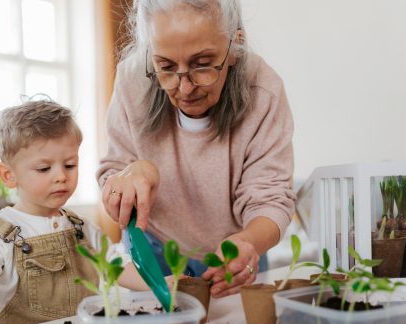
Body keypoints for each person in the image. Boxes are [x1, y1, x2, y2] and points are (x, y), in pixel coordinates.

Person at [0, 98, 170, 324]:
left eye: (70, 165)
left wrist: (163, 284)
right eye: (44, 168)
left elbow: (117, 267)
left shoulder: (81, 227)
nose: (61, 175)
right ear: (8, 175)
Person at [97, 0, 296, 299]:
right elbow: (112, 173)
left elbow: (270, 200)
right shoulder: (132, 80)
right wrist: (119, 189)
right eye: (165, 67)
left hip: (236, 248)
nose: (185, 88)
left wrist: (248, 244)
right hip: (153, 243)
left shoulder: (263, 91)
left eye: (202, 64)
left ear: (235, 42)